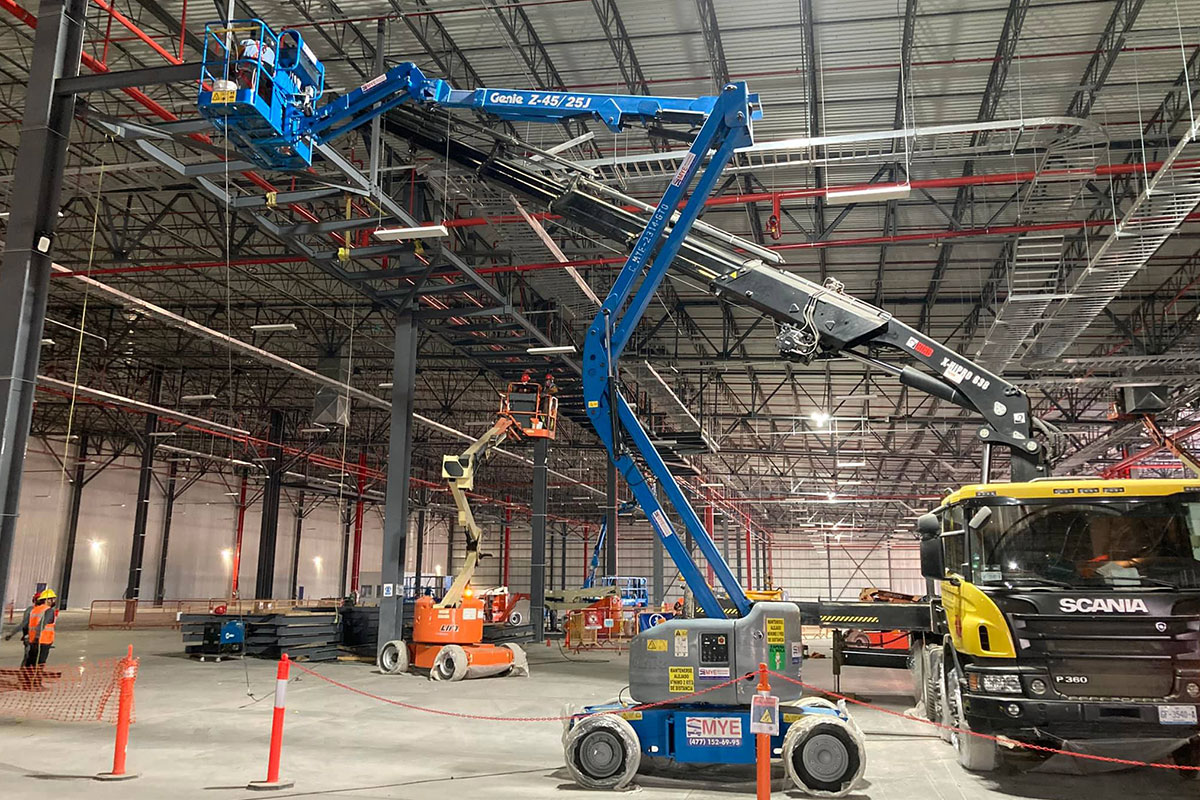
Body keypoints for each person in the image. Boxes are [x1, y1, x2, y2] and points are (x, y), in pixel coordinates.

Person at [19, 589, 57, 688]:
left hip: (33, 641)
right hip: (43, 641)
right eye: (53, 599)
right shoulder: (48, 611)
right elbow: (42, 625)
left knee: (30, 662)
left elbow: (26, 626)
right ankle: (36, 684)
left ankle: (25, 683)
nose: (54, 601)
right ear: (48, 599)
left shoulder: (35, 610)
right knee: (40, 663)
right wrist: (37, 637)